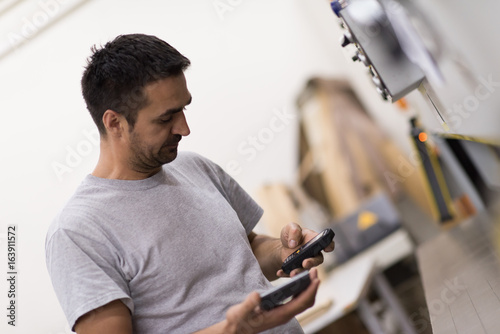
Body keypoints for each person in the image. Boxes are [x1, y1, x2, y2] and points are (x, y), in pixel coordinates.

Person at [45, 33, 335, 334]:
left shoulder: (195, 166)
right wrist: (230, 330)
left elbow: (244, 252)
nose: (184, 128)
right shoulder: (77, 232)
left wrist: (282, 251)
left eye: (184, 109)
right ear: (115, 123)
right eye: (166, 118)